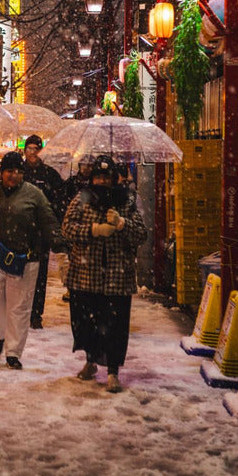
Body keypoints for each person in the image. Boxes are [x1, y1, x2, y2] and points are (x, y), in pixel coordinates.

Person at [61, 154, 148, 393]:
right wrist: (93, 230)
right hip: (86, 276)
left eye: (106, 177)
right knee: (86, 323)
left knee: (115, 326)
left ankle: (113, 372)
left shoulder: (126, 201)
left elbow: (141, 234)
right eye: (97, 177)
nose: (101, 182)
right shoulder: (82, 198)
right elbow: (67, 229)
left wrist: (122, 224)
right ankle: (90, 361)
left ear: (114, 179)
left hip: (116, 278)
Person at [0, 150, 66, 370]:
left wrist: (60, 248)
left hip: (26, 260)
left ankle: (13, 352)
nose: (14, 175)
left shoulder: (34, 195)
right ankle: (0, 334)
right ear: (2, 172)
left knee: (19, 308)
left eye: (18, 171)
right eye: (9, 170)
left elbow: (48, 221)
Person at [22, 135, 75, 325]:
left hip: (41, 233)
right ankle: (20, 312)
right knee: (19, 274)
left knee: (39, 274)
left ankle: (35, 314)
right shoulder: (18, 172)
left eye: (37, 149)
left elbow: (60, 199)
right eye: (30, 148)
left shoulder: (49, 174)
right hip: (20, 233)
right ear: (25, 150)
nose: (33, 152)